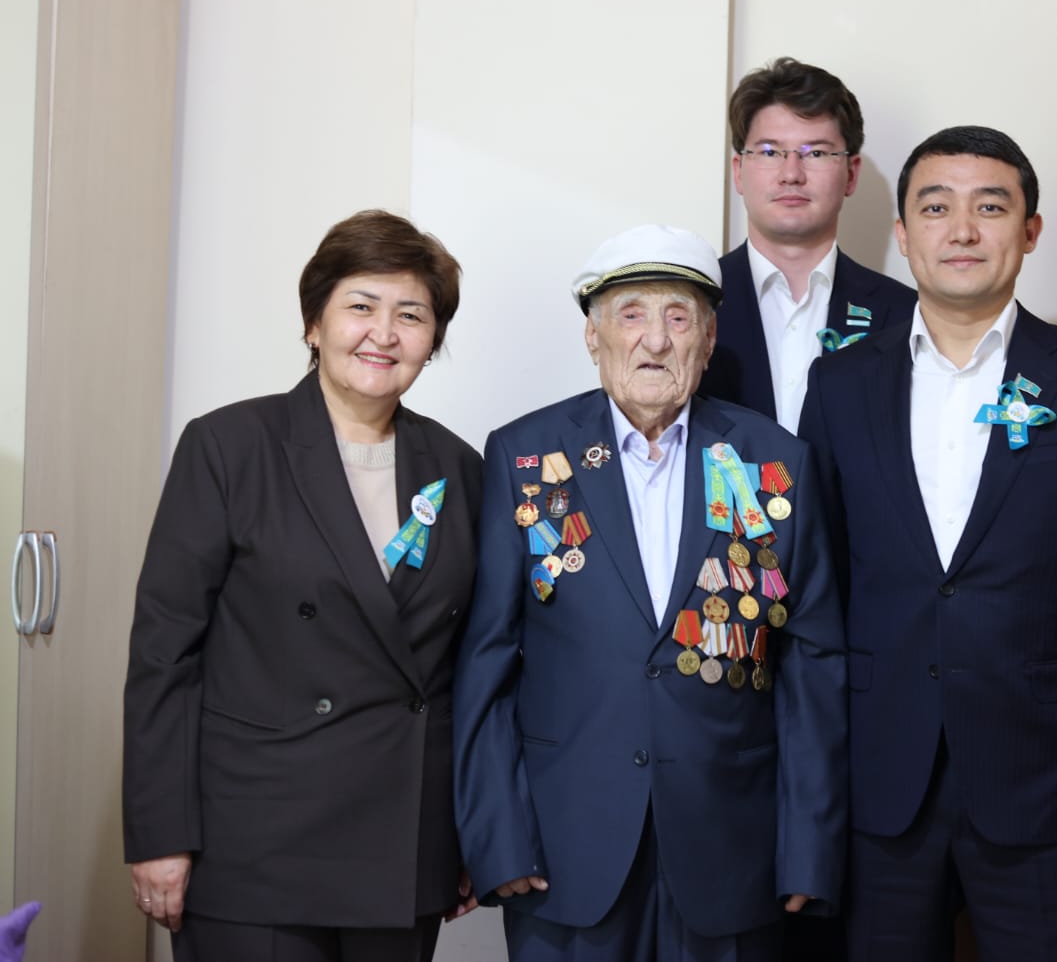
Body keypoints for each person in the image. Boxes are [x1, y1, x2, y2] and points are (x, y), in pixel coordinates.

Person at [797, 126, 1057, 961]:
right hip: (878, 785)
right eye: (936, 208)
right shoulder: (840, 384)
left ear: (1030, 231)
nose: (962, 230)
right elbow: (814, 590)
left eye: (991, 207)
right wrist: (810, 786)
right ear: (903, 236)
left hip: (1051, 786)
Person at [452, 225, 846, 962]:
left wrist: (810, 849)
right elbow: (487, 664)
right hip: (564, 855)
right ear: (593, 337)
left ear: (709, 338)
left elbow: (812, 668)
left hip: (732, 853)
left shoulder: (775, 462)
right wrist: (496, 840)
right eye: (631, 315)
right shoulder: (525, 454)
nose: (655, 340)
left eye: (678, 316)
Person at [122, 209, 482, 961]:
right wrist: (160, 833)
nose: (383, 334)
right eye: (361, 306)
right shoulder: (229, 447)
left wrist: (472, 833)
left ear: (433, 340)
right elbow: (164, 654)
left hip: (401, 841)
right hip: (255, 844)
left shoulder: (460, 467)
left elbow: (471, 669)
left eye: (411, 315)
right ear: (315, 323)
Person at [701, 57, 916, 432]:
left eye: (815, 153)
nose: (791, 174)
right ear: (738, 171)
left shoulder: (906, 315)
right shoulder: (692, 302)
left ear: (851, 174)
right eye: (770, 152)